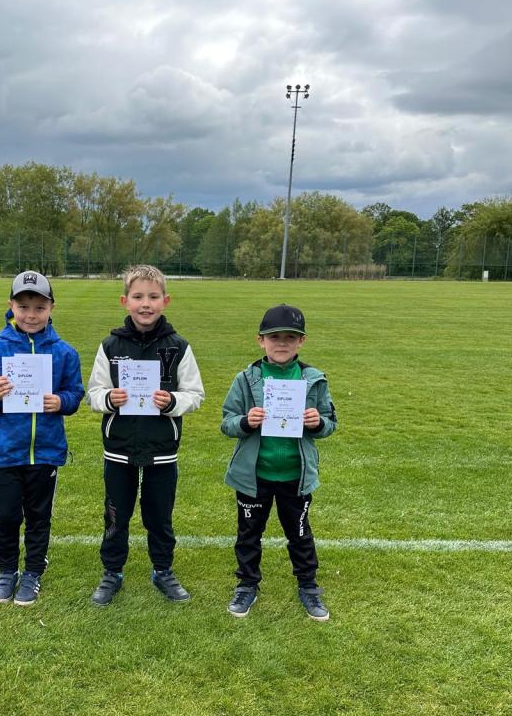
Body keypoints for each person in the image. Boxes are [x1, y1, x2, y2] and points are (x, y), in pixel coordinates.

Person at [86, 264, 205, 606]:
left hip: (162, 449)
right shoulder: (110, 345)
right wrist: (110, 398)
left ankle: (163, 570)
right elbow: (93, 393)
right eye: (138, 296)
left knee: (159, 516)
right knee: (115, 515)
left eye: (153, 297)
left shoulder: (178, 347)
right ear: (125, 301)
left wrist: (172, 402)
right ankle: (112, 572)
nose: (145, 304)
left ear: (165, 301)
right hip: (119, 448)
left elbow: (195, 394)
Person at [0, 270, 84, 606]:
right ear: (11, 306)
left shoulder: (64, 353)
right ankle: (7, 571)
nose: (31, 315)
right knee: (5, 516)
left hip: (45, 451)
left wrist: (61, 402)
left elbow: (75, 393)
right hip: (5, 451)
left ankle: (32, 572)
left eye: (39, 307)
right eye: (23, 307)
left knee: (38, 517)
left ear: (51, 308)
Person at [221, 304, 337, 620]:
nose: (282, 343)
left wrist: (317, 422)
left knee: (299, 534)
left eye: (290, 337)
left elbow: (330, 422)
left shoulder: (313, 379)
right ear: (261, 340)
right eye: (274, 337)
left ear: (301, 341)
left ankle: (308, 586)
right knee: (248, 534)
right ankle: (247, 585)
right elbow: (227, 422)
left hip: (295, 475)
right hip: (254, 475)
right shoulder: (246, 379)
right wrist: (246, 421)